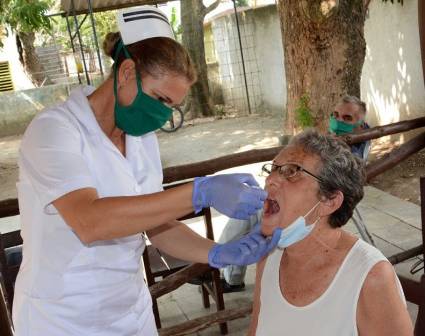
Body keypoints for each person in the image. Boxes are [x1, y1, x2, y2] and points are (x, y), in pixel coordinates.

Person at [12, 7, 281, 336]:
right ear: (126, 72)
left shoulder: (141, 141)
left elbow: (154, 222)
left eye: (171, 106)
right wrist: (201, 191)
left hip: (129, 310)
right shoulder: (54, 130)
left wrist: (215, 252)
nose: (163, 114)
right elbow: (89, 221)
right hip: (63, 317)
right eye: (160, 98)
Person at [248, 129, 413, 335]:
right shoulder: (268, 257)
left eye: (292, 171)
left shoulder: (371, 277)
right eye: (272, 169)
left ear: (330, 201)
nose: (270, 179)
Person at [218, 95, 371, 292]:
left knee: (249, 211)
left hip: (311, 205)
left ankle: (220, 266)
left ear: (361, 124)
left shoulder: (351, 152)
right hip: (302, 206)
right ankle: (221, 264)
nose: (338, 120)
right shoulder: (269, 266)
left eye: (347, 118)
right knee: (252, 209)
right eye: (335, 115)